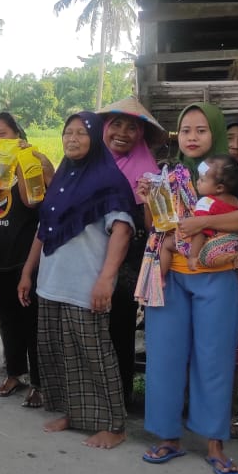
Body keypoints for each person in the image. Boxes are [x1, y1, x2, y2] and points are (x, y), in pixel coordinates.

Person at [137, 102, 238, 474]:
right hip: (170, 276)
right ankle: (168, 437)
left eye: (201, 130)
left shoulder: (232, 174)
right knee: (164, 356)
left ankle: (214, 444)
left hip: (216, 276)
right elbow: (156, 224)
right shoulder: (167, 173)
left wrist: (199, 223)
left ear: (216, 133)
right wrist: (149, 198)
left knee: (215, 359)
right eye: (186, 130)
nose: (192, 137)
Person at [17, 111, 135, 449]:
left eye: (81, 133)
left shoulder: (108, 180)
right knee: (59, 353)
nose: (72, 138)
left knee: (94, 354)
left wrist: (106, 279)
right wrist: (27, 271)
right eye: (68, 132)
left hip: (85, 283)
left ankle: (115, 425)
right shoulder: (62, 179)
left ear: (95, 138)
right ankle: (75, 414)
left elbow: (122, 230)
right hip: (51, 282)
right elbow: (44, 228)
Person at [0, 112, 50, 407]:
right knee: (7, 320)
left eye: (2, 134)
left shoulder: (30, 165)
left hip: (27, 258)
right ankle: (15, 373)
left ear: (17, 135)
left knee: (33, 321)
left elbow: (37, 204)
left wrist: (22, 165)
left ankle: (40, 382)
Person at [99, 97, 166, 408]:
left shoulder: (149, 173)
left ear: (141, 134)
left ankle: (119, 398)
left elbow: (156, 224)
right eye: (117, 125)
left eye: (132, 128)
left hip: (127, 261)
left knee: (119, 328)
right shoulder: (91, 164)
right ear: (104, 128)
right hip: (90, 255)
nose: (122, 133)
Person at [158, 155, 238, 274]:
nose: (198, 182)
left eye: (202, 180)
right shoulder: (235, 200)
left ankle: (160, 278)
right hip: (231, 248)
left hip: (207, 253)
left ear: (219, 188)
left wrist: (193, 256)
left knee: (166, 243)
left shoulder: (206, 203)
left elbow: (200, 231)